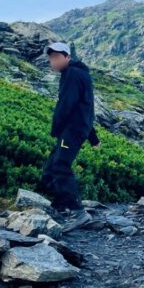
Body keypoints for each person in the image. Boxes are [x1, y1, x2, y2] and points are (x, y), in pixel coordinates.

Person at [39, 41, 97, 232]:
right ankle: (59, 205)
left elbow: (67, 104)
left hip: (71, 131)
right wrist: (93, 138)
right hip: (75, 130)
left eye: (56, 57)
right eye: (50, 58)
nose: (52, 62)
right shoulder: (80, 74)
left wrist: (56, 128)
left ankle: (78, 212)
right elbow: (86, 108)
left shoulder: (72, 74)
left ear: (68, 57)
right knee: (51, 166)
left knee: (60, 166)